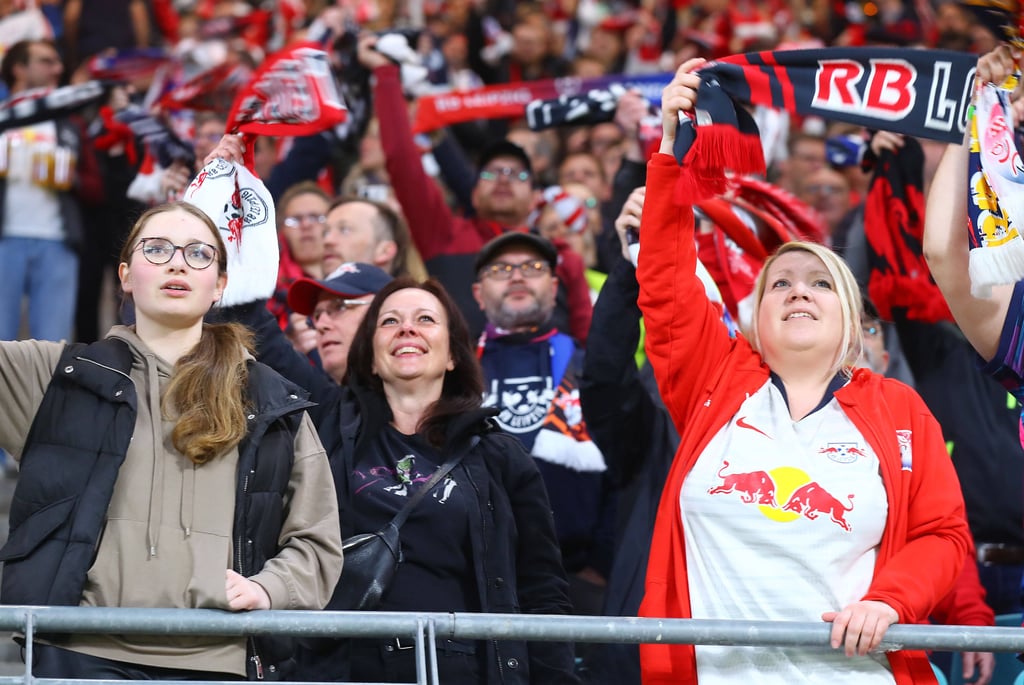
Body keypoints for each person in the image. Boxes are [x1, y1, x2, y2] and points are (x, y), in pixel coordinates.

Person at [634, 59, 971, 684]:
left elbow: (943, 535)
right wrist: (671, 151)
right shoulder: (713, 382)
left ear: (850, 318)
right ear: (755, 318)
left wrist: (888, 600)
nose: (798, 292)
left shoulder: (900, 409)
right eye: (779, 283)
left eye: (821, 283)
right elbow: (666, 282)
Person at [0, 201, 343, 679]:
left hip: (219, 662)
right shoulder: (57, 374)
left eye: (200, 254)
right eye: (157, 249)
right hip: (79, 655)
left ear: (221, 284)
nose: (178, 263)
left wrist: (271, 587)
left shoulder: (269, 399)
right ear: (125, 275)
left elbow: (317, 540)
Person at [356, 33, 593, 342]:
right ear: (474, 193)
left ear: (537, 198)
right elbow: (402, 159)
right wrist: (386, 75)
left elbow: (590, 345)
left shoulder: (563, 258)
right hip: (464, 389)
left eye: (518, 174)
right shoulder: (444, 235)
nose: (504, 178)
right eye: (491, 173)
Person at [472, 231, 615, 618]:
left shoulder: (591, 369)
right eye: (502, 269)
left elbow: (628, 468)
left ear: (554, 288)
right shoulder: (453, 373)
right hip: (475, 578)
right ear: (478, 294)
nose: (517, 276)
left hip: (579, 577)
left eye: (532, 268)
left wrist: (601, 565)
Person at [0, 38, 103, 343]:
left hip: (58, 242)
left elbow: (97, 189)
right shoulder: (3, 116)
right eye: (46, 61)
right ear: (19, 68)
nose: (57, 69)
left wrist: (70, 180)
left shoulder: (69, 124)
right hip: (5, 240)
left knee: (52, 349)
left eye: (58, 62)